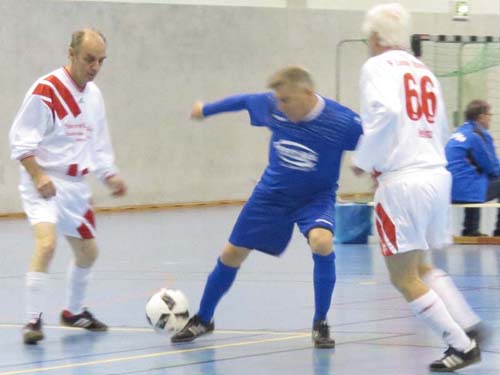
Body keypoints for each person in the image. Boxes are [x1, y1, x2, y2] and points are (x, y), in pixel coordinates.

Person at [170, 66, 363, 348]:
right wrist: (205, 109)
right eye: (278, 100)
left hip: (315, 197)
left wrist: (369, 164)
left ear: (308, 93)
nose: (280, 106)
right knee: (231, 252)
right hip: (272, 194)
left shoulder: (342, 120)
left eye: (287, 100)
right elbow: (243, 101)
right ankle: (204, 318)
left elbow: (375, 137)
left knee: (322, 242)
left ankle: (320, 322)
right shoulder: (273, 106)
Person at [352, 3, 482, 372]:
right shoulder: (423, 69)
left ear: (375, 37)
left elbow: (387, 113)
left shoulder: (376, 66)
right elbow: (440, 125)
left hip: (404, 181)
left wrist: (365, 160)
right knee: (423, 265)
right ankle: (468, 324)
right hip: (437, 174)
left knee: (402, 276)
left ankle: (460, 344)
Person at [9, 28, 127, 345]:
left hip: (75, 187)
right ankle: (33, 321)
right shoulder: (46, 90)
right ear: (71, 54)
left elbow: (99, 145)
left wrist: (109, 175)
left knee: (89, 253)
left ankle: (73, 313)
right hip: (44, 181)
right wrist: (38, 176)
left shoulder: (95, 95)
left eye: (101, 61)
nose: (95, 67)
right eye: (89, 59)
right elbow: (20, 141)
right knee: (46, 245)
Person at [446, 100, 500, 236]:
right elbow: (491, 166)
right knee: (479, 178)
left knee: (473, 175)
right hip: (466, 191)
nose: (490, 119)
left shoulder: (457, 133)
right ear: (481, 117)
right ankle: (498, 231)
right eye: (489, 115)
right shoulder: (478, 134)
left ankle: (470, 229)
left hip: (448, 190)